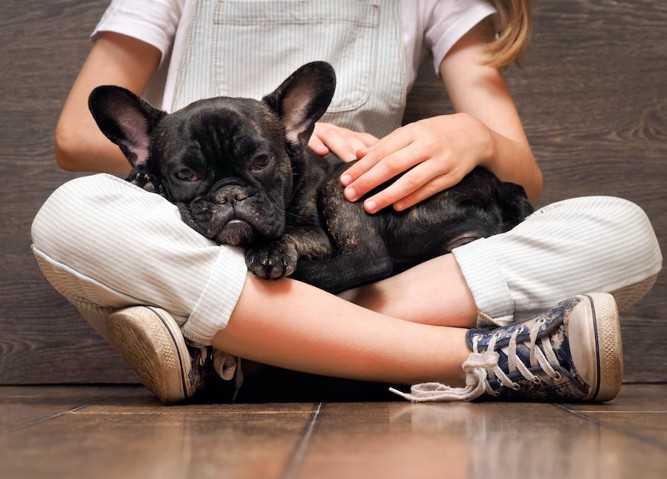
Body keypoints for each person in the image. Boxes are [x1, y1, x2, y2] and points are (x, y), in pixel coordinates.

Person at [32, 0, 661, 403]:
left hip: (360, 241)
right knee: (69, 216)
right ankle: (484, 357)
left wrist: (474, 134)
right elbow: (72, 136)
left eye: (254, 160)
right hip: (210, 259)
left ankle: (245, 354)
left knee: (622, 230)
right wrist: (178, 160)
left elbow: (524, 172)